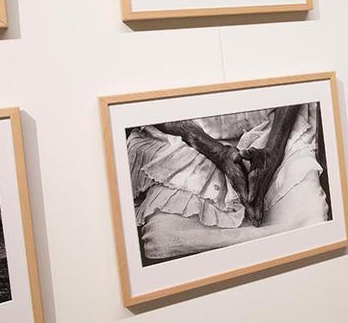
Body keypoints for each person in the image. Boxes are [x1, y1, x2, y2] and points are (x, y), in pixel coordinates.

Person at [126, 103, 328, 262]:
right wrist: (218, 152)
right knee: (166, 239)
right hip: (188, 138)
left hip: (275, 129)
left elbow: (293, 81)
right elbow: (148, 104)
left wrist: (273, 153)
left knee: (310, 218)